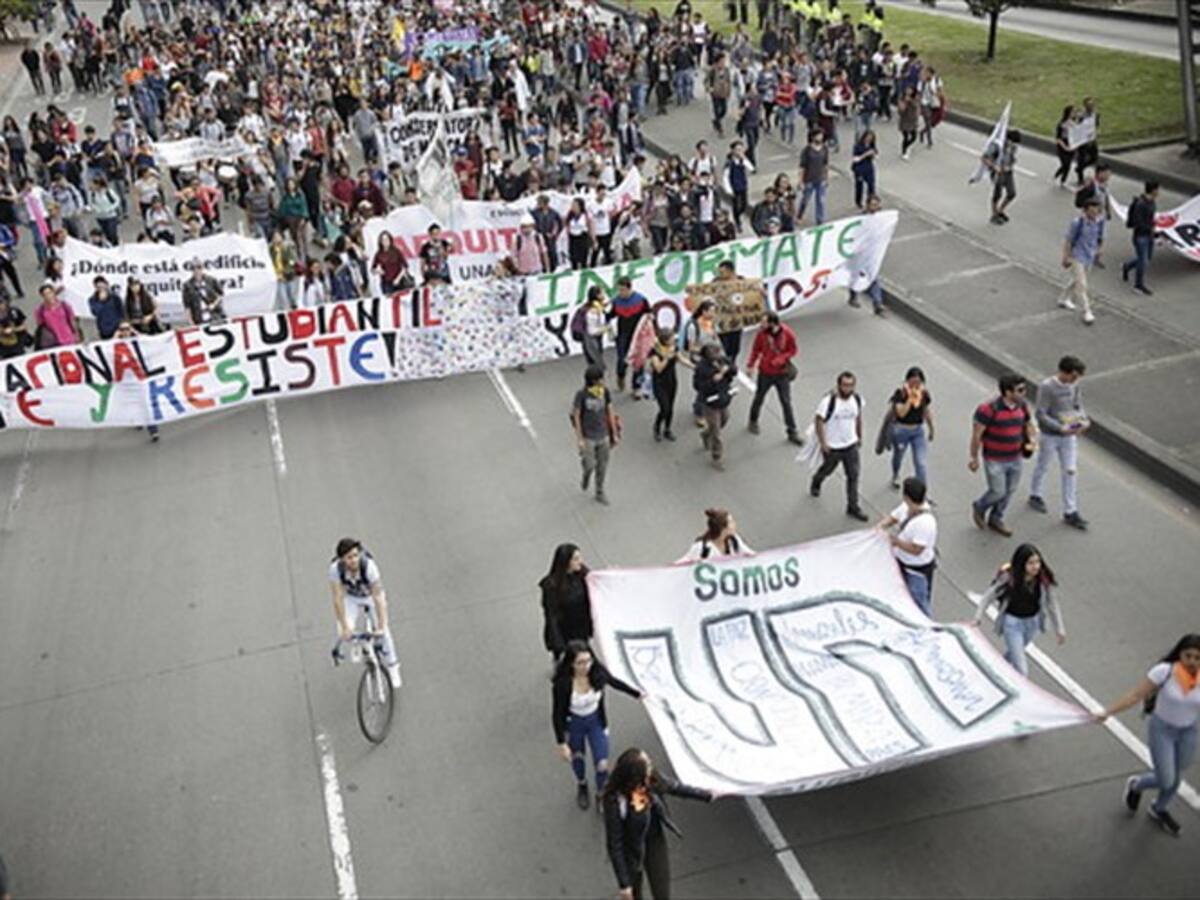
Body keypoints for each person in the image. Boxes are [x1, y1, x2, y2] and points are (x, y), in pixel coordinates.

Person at [1100, 633, 1200, 838]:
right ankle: (1136, 784)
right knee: (1166, 779)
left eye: (1198, 658)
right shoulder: (1164, 672)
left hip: (1189, 731)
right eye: (1188, 656)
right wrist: (1108, 712)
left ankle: (1159, 808)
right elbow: (1135, 695)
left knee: (1177, 776)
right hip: (1163, 730)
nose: (1192, 662)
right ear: (1179, 653)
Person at [602, 747, 716, 900]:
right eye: (647, 765)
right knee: (634, 895)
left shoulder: (651, 778)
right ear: (635, 777)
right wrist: (624, 884)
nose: (651, 766)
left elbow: (674, 787)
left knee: (662, 892)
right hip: (631, 850)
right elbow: (614, 843)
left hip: (654, 840)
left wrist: (707, 795)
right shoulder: (615, 801)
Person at [552, 641, 643, 811]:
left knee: (602, 763)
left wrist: (637, 694)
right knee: (577, 758)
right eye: (580, 662)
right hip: (575, 724)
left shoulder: (597, 673)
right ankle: (582, 784)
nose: (586, 666)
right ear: (571, 663)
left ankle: (601, 793)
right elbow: (557, 713)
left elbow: (614, 682)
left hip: (596, 721)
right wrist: (561, 743)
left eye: (588, 661)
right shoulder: (563, 684)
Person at [973, 543, 1065, 677]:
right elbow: (989, 596)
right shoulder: (1010, 578)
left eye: (1037, 562)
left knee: (1014, 653)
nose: (1035, 567)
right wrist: (978, 617)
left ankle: (995, 670)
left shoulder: (1042, 579)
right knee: (1022, 669)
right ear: (1022, 564)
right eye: (1031, 563)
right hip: (1013, 625)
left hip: (1032, 623)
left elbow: (1052, 603)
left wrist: (1059, 628)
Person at [969, 372, 1037, 537]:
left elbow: (1028, 424)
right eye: (1020, 390)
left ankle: (996, 518)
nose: (1024, 393)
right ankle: (980, 506)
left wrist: (1032, 439)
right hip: (995, 458)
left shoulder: (1022, 406)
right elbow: (977, 434)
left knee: (1010, 490)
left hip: (1015, 456)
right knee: (998, 491)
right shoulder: (988, 409)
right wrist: (974, 458)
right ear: (1007, 392)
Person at [328, 538, 401, 689]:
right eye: (349, 557)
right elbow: (337, 598)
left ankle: (393, 666)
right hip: (351, 598)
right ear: (342, 559)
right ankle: (358, 644)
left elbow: (379, 597)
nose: (354, 560)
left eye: (356, 555)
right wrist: (345, 627)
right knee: (343, 631)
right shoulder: (335, 569)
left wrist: (381, 625)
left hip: (370, 597)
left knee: (385, 634)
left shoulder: (369, 567)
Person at [1028, 355, 1090, 530]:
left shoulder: (1074, 385)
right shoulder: (1047, 387)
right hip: (1051, 435)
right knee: (1043, 465)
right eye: (1073, 376)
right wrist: (1059, 428)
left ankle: (1070, 510)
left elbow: (1077, 405)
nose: (1074, 380)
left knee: (1070, 471)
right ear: (1064, 372)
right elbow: (1041, 414)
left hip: (1069, 434)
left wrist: (1083, 420)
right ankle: (1035, 493)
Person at [811, 371, 868, 521]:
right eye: (845, 385)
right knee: (828, 469)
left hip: (850, 445)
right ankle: (817, 480)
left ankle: (853, 506)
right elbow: (819, 421)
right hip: (833, 446)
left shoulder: (856, 399)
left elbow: (858, 418)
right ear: (839, 385)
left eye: (851, 385)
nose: (848, 388)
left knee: (853, 475)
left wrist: (859, 436)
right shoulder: (828, 401)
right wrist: (823, 443)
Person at [876, 477, 937, 616]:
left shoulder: (925, 522)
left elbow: (917, 550)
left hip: (916, 569)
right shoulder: (906, 508)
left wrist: (895, 541)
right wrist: (879, 528)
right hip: (901, 562)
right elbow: (893, 518)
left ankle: (929, 627)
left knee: (920, 602)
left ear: (906, 497)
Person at [746, 311, 802, 445]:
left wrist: (781, 358)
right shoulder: (761, 334)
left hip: (781, 374)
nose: (761, 324)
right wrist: (750, 365)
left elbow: (793, 350)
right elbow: (756, 350)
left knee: (786, 402)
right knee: (759, 397)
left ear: (772, 323)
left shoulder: (787, 333)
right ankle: (753, 420)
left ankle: (792, 431)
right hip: (765, 372)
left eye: (764, 322)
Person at [573, 363, 620, 506]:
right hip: (588, 436)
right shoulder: (582, 395)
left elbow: (610, 412)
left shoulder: (604, 392)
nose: (603, 380)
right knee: (589, 464)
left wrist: (614, 433)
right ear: (594, 380)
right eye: (601, 378)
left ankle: (599, 491)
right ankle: (586, 474)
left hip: (603, 435)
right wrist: (580, 438)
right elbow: (576, 416)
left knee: (602, 465)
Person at [540, 544, 593, 660]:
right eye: (576, 559)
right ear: (566, 562)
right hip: (565, 629)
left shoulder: (582, 574)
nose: (580, 561)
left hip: (580, 626)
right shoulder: (551, 586)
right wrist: (557, 642)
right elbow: (551, 615)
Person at [1058, 197, 1105, 325]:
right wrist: (1065, 257)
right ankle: (1087, 311)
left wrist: (1099, 250)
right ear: (1085, 210)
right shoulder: (1077, 223)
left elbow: (1100, 237)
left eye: (1097, 209)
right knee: (1082, 284)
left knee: (1077, 280)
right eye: (1092, 209)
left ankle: (1064, 298)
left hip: (1089, 255)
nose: (1095, 212)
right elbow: (1069, 240)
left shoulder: (1100, 221)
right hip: (1077, 256)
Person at [888, 366, 934, 489]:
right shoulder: (900, 393)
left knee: (921, 463)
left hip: (918, 431)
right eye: (912, 382)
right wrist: (910, 399)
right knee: (898, 456)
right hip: (901, 430)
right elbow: (901, 413)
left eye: (918, 382)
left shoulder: (924, 394)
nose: (915, 385)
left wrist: (931, 429)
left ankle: (922, 491)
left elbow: (926, 411)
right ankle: (895, 474)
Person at [694, 342, 736, 471]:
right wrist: (713, 380)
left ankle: (706, 434)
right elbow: (698, 386)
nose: (718, 356)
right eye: (715, 354)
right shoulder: (701, 368)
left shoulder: (723, 360)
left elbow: (734, 370)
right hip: (710, 402)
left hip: (723, 398)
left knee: (725, 419)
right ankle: (716, 457)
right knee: (716, 431)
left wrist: (727, 370)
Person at [611, 277, 651, 394]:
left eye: (623, 290)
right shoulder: (616, 301)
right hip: (622, 334)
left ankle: (636, 387)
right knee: (622, 359)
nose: (620, 293)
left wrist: (649, 317)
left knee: (639, 361)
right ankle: (620, 376)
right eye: (619, 290)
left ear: (629, 288)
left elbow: (648, 312)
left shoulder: (641, 300)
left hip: (638, 335)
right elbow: (611, 315)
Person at [1121, 180, 1159, 297]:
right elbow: (1138, 222)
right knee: (1143, 261)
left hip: (1149, 235)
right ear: (1153, 190)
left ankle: (1127, 266)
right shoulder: (1141, 204)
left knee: (1146, 258)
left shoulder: (1152, 202)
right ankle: (1138, 285)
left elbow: (1151, 218)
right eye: (1157, 190)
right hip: (1141, 236)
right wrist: (1149, 228)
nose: (1158, 192)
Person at [680, 508, 754, 562]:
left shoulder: (734, 541)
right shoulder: (702, 548)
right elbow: (683, 564)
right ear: (723, 528)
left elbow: (751, 556)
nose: (734, 524)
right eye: (731, 522)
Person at [984, 129, 1021, 225]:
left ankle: (1000, 210)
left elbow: (1013, 159)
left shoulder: (1013, 148)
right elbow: (985, 158)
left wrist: (1010, 165)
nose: (1014, 145)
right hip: (997, 172)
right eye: (1013, 143)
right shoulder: (997, 146)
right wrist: (994, 167)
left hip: (1007, 171)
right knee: (997, 194)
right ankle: (994, 214)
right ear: (1008, 139)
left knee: (1012, 193)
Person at [33, 282, 81, 348]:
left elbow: (72, 320)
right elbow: (41, 326)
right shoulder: (40, 310)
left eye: (50, 293)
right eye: (45, 294)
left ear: (53, 293)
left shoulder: (64, 305)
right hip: (53, 342)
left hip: (69, 338)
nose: (48, 296)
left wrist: (76, 334)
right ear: (42, 296)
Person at [796, 129, 829, 225]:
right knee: (805, 199)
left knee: (821, 201)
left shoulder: (824, 149)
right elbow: (802, 167)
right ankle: (799, 215)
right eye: (818, 135)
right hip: (809, 179)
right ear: (812, 137)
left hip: (820, 178)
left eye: (821, 135)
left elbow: (825, 164)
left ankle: (820, 220)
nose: (820, 137)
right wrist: (801, 181)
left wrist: (826, 178)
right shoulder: (807, 150)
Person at [182, 260, 226, 325]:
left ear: (202, 268)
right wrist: (191, 323)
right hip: (199, 319)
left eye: (199, 268)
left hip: (215, 316)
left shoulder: (211, 280)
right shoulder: (187, 286)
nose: (197, 271)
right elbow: (187, 306)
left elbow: (221, 294)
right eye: (193, 268)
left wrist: (214, 304)